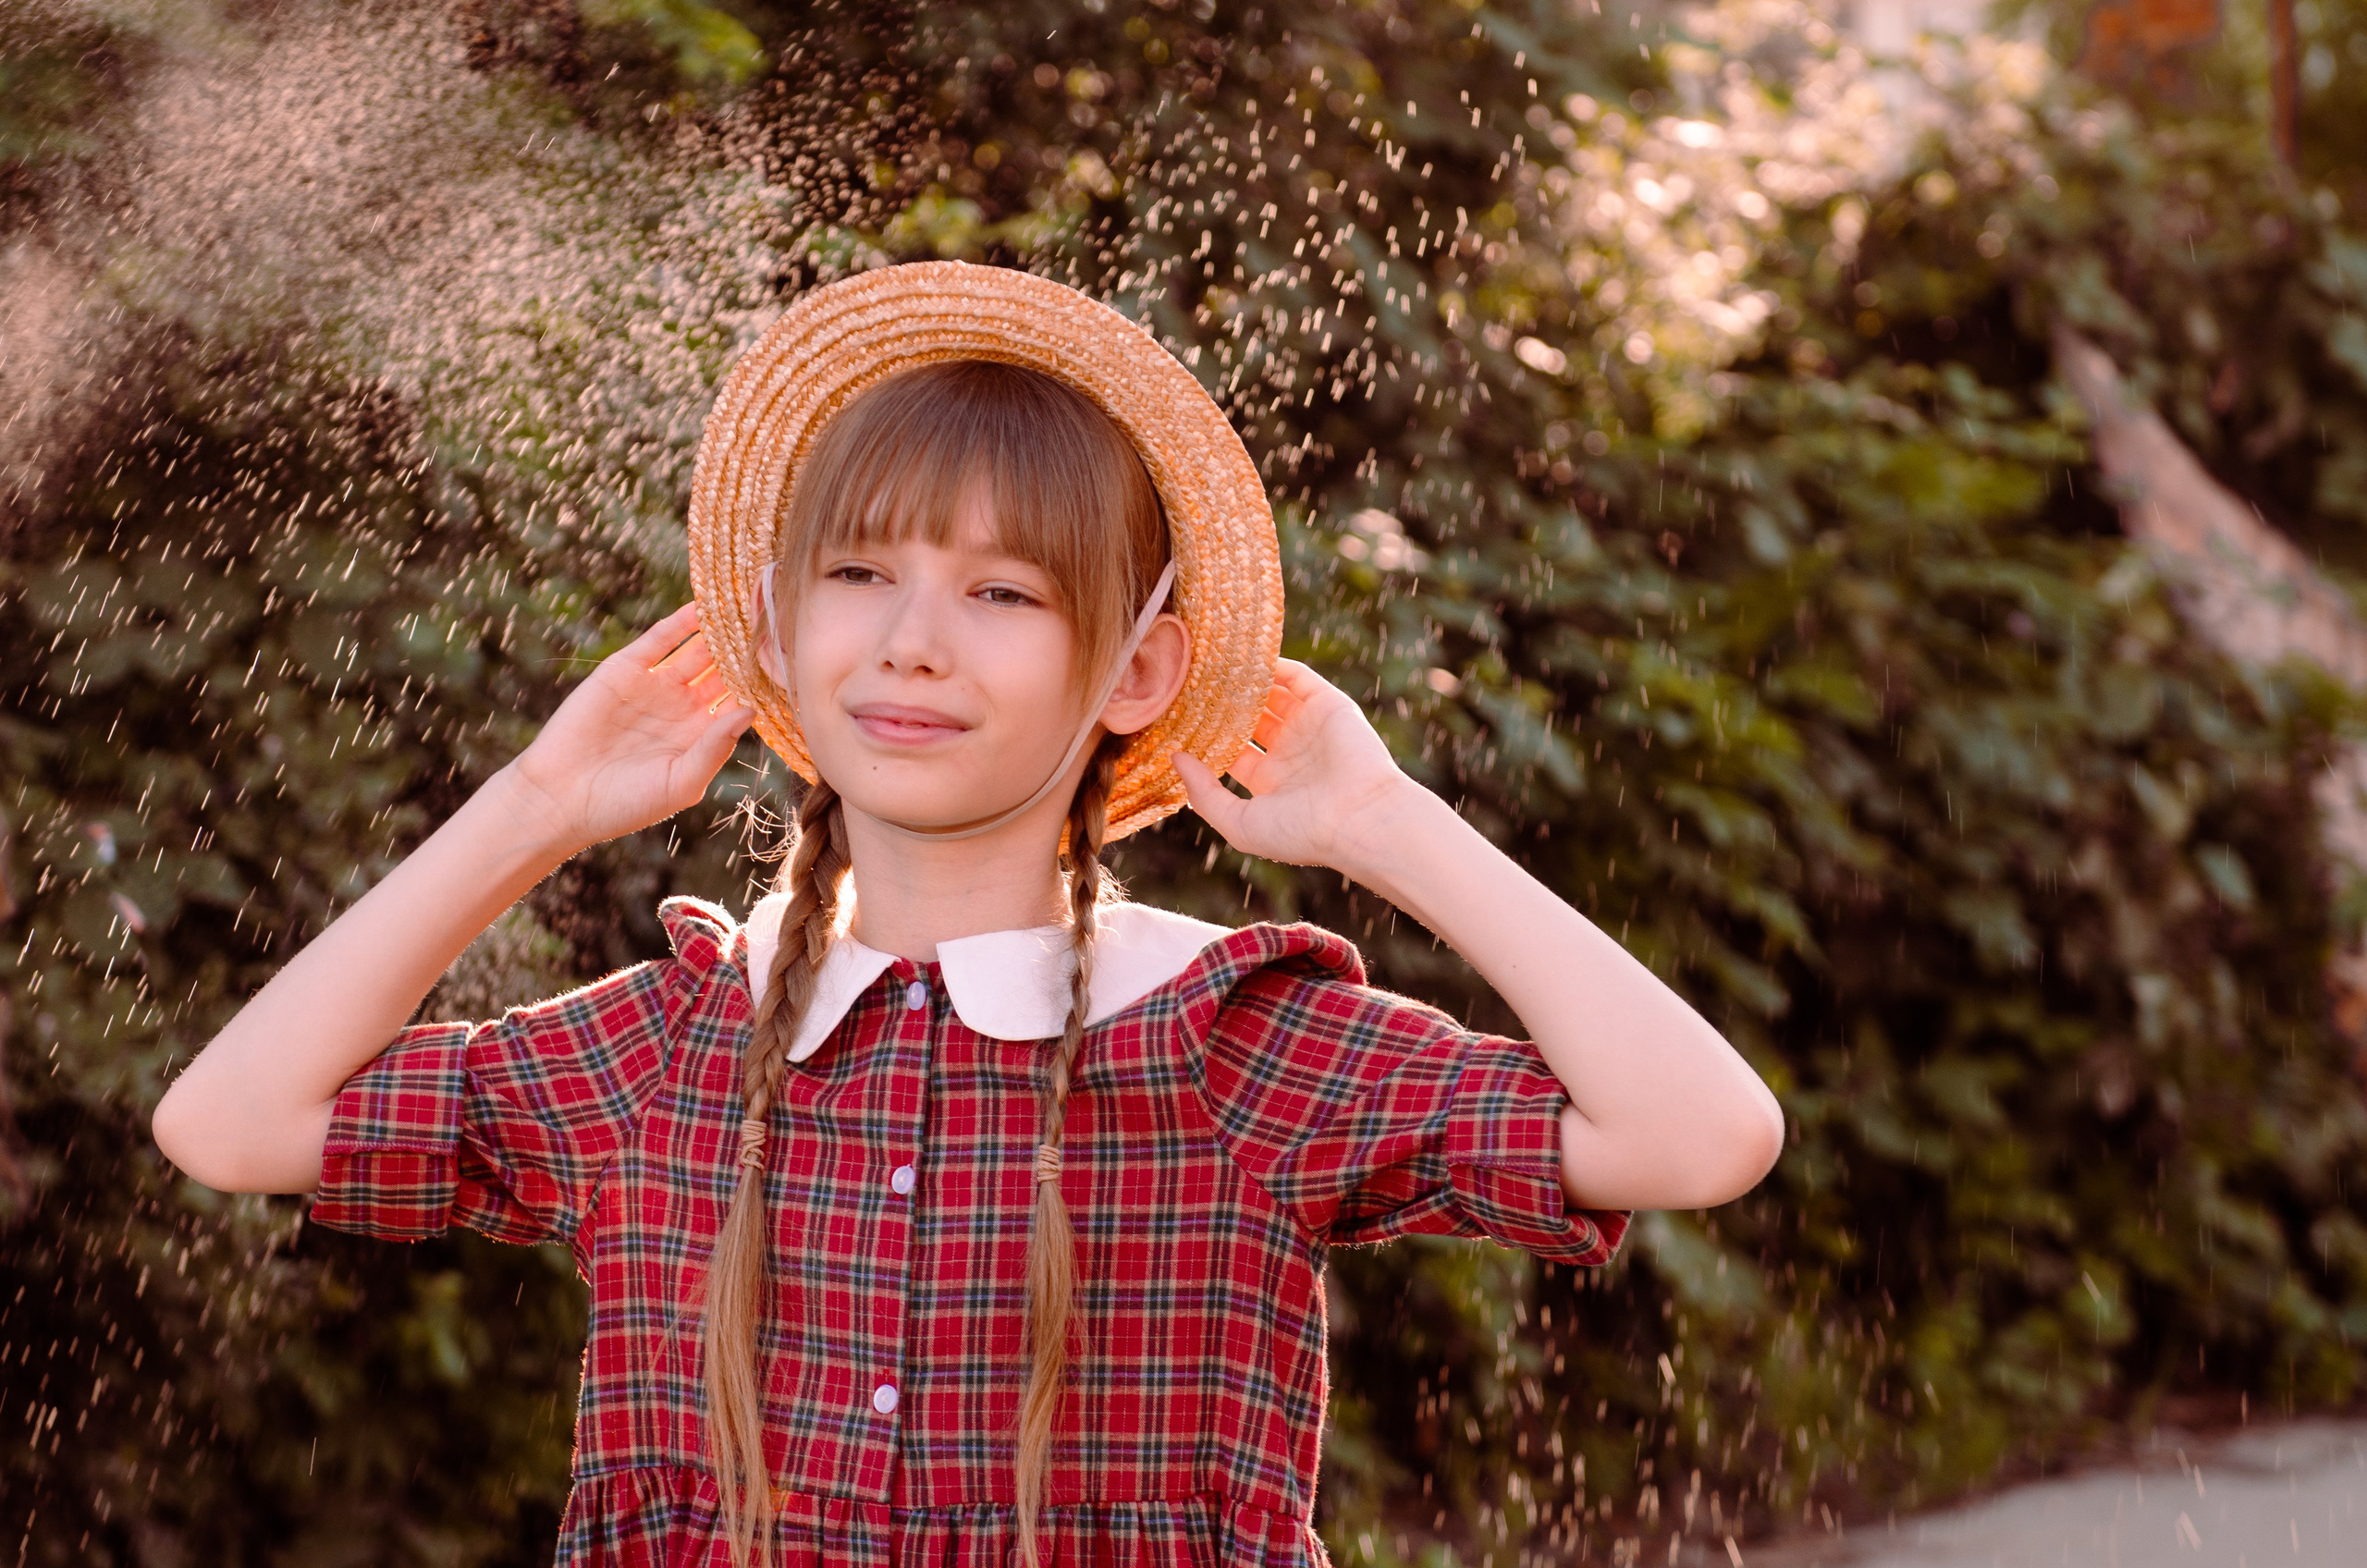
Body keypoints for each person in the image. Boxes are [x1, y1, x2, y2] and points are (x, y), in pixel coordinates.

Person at [151, 262, 1784, 1568]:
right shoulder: (667, 1052)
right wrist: (536, 806)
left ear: (1135, 668)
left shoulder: (1228, 1046)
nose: (916, 641)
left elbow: (1697, 1135)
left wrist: (1379, 825)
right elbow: (233, 1122)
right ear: (782, 631)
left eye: (1005, 592)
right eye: (859, 574)